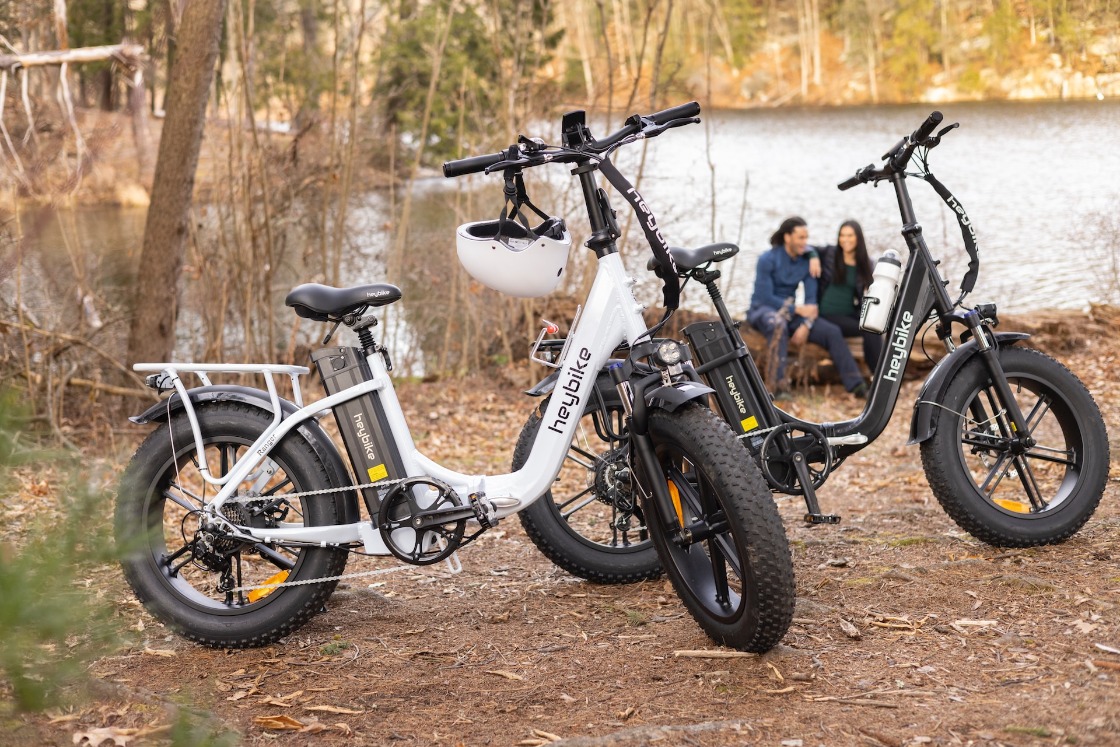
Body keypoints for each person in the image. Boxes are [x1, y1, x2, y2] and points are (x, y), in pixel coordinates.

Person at [747, 216, 868, 398]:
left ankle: (856, 385)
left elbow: (811, 302)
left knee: (832, 331)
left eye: (806, 238)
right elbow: (765, 297)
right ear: (788, 237)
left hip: (790, 313)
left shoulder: (806, 262)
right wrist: (797, 310)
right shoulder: (766, 259)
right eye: (801, 238)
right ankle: (778, 387)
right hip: (763, 310)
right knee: (777, 324)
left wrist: (807, 324)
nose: (805, 242)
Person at [816, 220, 884, 373]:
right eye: (842, 235)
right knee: (868, 330)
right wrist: (813, 257)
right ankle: (878, 373)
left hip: (849, 312)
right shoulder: (829, 254)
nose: (845, 239)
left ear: (858, 238)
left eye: (850, 235)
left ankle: (878, 371)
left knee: (873, 326)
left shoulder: (866, 263)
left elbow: (874, 290)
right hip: (827, 314)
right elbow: (807, 248)